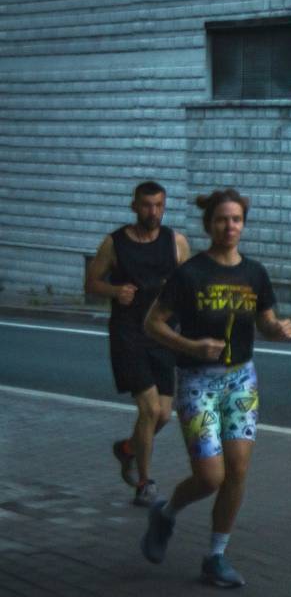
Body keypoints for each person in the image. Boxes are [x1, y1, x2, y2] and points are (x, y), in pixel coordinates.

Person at [138, 188, 291, 588]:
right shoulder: (190, 274)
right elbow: (152, 324)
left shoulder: (255, 273)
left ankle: (216, 556)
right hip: (198, 380)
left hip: (241, 379)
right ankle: (166, 514)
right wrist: (191, 346)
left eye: (236, 219)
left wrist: (277, 328)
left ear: (244, 224)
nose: (230, 227)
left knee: (237, 470)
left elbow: (265, 320)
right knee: (210, 477)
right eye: (222, 219)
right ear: (209, 225)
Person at [84, 181, 191, 506]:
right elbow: (91, 283)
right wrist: (115, 291)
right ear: (134, 207)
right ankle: (145, 483)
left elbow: (189, 286)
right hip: (128, 334)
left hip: (163, 334)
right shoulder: (115, 243)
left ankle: (128, 448)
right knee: (148, 409)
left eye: (159, 205)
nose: (153, 212)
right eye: (147, 205)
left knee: (163, 414)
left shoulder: (176, 242)